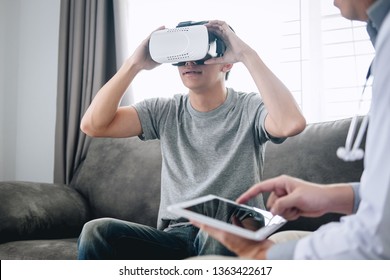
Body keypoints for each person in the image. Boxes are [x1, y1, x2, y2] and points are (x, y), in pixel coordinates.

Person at [77, 20, 306, 259]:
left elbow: (291, 124)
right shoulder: (165, 111)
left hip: (231, 228)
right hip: (175, 235)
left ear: (226, 62)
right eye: (183, 55)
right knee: (96, 231)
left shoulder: (249, 108)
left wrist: (246, 55)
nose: (188, 63)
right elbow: (93, 125)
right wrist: (134, 64)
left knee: (215, 233)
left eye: (199, 54)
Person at [192, 0, 390, 259]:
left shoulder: (248, 106)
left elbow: (375, 240)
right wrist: (336, 196)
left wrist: (265, 258)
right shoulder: (383, 37)